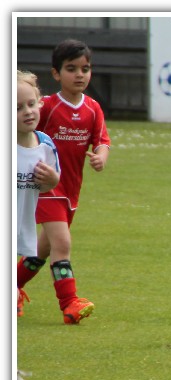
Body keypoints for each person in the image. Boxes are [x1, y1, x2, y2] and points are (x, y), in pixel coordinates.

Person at [16, 39, 111, 325]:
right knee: (62, 243)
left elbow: (102, 141)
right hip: (46, 187)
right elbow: (24, 130)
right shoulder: (45, 106)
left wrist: (101, 157)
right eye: (71, 69)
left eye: (85, 68)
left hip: (70, 190)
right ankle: (69, 303)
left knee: (40, 251)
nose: (80, 74)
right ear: (56, 74)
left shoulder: (93, 108)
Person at [16, 70, 61, 380]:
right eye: (18, 107)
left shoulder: (45, 144)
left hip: (20, 231)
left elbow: (54, 179)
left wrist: (52, 181)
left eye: (31, 103)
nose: (28, 111)